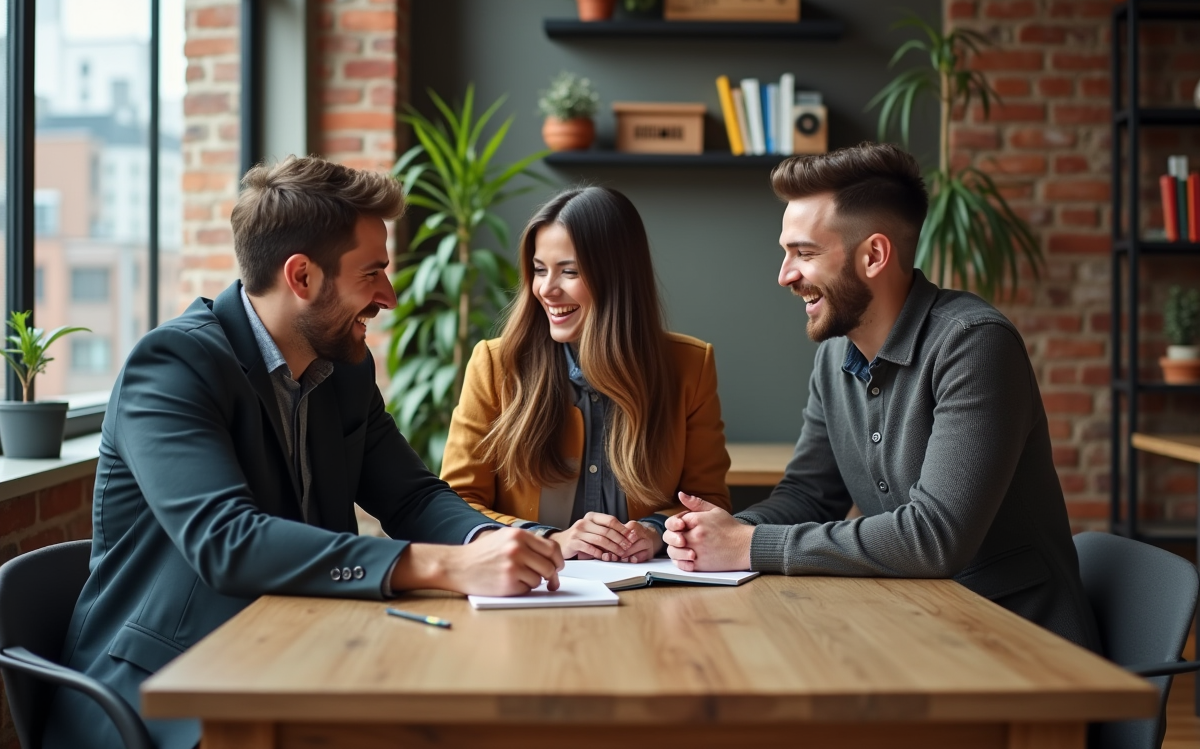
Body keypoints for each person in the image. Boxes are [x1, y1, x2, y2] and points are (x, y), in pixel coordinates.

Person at [44, 156, 564, 749]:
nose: (388, 296)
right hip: (167, 697)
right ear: (302, 277)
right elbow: (226, 541)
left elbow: (411, 494)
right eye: (372, 274)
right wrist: (442, 566)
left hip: (295, 659)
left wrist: (496, 543)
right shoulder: (173, 367)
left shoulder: (343, 370)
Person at [662, 143, 1101, 651]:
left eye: (803, 254)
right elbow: (809, 496)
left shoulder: (975, 344)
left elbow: (934, 537)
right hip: (921, 631)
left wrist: (749, 545)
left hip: (1025, 653)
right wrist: (714, 532)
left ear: (873, 255)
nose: (784, 275)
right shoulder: (835, 357)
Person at [441, 186, 732, 564]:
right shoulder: (494, 365)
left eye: (570, 272)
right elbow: (455, 510)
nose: (546, 289)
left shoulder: (690, 366)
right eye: (539, 270)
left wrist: (656, 531)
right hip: (530, 590)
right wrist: (549, 540)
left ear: (618, 277)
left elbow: (708, 503)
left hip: (650, 593)